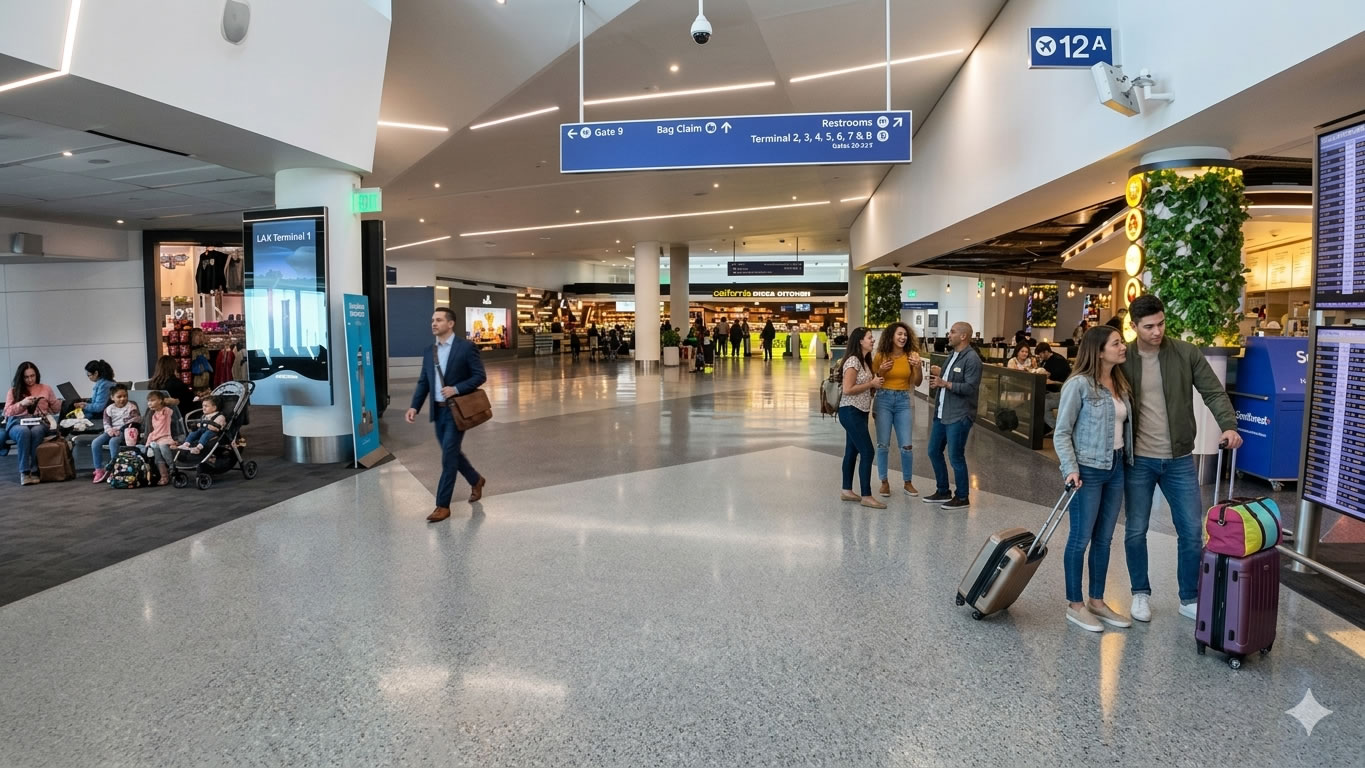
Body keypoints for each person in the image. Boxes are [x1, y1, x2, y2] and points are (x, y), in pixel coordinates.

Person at [1121, 294, 1242, 622]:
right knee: (1136, 529)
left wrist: (1228, 425)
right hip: (1138, 460)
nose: (1157, 331)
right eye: (1149, 327)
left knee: (1190, 530)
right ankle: (1140, 593)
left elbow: (1213, 392)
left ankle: (1188, 596)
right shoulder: (1121, 357)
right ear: (1134, 327)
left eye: (1161, 324)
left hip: (1178, 459)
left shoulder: (1185, 353)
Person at [1054, 326, 1135, 632]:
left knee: (1104, 538)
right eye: (1117, 343)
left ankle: (1097, 601)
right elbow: (1062, 432)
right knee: (1080, 538)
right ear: (1099, 351)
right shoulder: (1079, 385)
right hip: (1087, 469)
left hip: (1116, 467)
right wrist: (1070, 468)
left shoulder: (1120, 383)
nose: (1123, 347)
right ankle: (1075, 604)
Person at [406, 307, 488, 523]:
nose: (434, 323)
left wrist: (457, 388)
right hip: (438, 412)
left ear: (450, 324)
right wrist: (415, 406)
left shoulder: (466, 347)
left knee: (448, 458)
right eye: (432, 320)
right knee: (452, 454)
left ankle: (442, 506)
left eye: (439, 320)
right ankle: (476, 479)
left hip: (456, 411)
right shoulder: (429, 351)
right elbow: (424, 381)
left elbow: (480, 376)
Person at [924, 322, 982, 510]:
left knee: (955, 456)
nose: (949, 335)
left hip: (959, 415)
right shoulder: (951, 355)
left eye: (953, 332)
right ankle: (943, 490)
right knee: (933, 451)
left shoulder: (972, 359)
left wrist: (945, 384)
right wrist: (939, 377)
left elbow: (970, 387)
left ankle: (963, 496)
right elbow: (950, 379)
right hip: (942, 413)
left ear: (964, 336)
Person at [873, 322, 923, 498]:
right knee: (883, 444)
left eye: (905, 335)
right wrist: (881, 371)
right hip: (884, 400)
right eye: (899, 334)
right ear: (891, 337)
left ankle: (908, 482)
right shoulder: (881, 356)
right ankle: (884, 482)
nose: (903, 338)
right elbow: (875, 381)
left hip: (903, 400)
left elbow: (917, 382)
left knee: (907, 445)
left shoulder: (912, 356)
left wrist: (917, 366)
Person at [837, 327, 886, 509]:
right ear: (860, 341)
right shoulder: (853, 361)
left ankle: (847, 490)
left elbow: (864, 386)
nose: (872, 341)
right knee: (867, 452)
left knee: (852, 451)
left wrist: (874, 384)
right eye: (869, 338)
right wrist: (870, 383)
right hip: (850, 411)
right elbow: (848, 388)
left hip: (860, 411)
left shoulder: (865, 361)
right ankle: (866, 495)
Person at [5, 362, 59, 486]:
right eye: (26, 377)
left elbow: (55, 408)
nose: (30, 379)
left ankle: (35, 470)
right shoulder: (13, 391)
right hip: (17, 422)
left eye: (32, 376)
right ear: (21, 377)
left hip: (39, 421)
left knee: (36, 431)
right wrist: (22, 404)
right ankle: (24, 472)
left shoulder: (45, 388)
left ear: (37, 375)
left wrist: (64, 402)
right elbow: (7, 412)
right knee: (23, 432)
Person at [91, 384, 140, 482]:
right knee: (95, 443)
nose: (122, 399)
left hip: (124, 431)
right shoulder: (109, 409)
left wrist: (121, 429)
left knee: (113, 442)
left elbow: (136, 419)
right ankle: (98, 469)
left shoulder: (131, 407)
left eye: (125, 396)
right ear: (112, 397)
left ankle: (115, 468)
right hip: (112, 431)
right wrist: (110, 430)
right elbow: (106, 422)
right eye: (119, 397)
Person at [1035, 341, 1072, 431]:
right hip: (1051, 391)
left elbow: (1062, 381)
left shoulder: (1058, 361)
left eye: (1040, 354)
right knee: (1037, 399)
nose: (1039, 357)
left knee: (1042, 403)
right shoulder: (1047, 360)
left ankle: (1055, 428)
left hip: (1060, 391)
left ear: (1046, 352)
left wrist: (1050, 380)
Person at [143, 390, 176, 485]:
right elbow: (153, 431)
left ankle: (172, 467)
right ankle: (164, 476)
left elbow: (174, 402)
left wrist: (164, 401)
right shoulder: (153, 415)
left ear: (161, 401)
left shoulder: (166, 411)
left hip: (166, 437)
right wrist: (148, 444)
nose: (149, 403)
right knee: (157, 455)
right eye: (148, 401)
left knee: (162, 446)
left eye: (153, 400)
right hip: (156, 438)